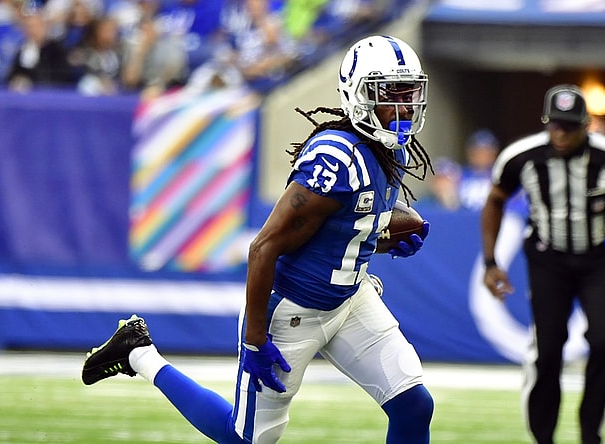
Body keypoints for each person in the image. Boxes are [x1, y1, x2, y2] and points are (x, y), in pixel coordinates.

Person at [81, 35, 435, 444]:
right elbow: (264, 247)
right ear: (359, 95)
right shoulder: (337, 160)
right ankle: (137, 353)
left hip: (350, 301)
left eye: (409, 93)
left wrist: (385, 238)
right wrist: (255, 339)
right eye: (391, 94)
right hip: (291, 309)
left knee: (414, 404)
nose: (405, 106)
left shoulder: (393, 149)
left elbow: (348, 225)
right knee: (244, 438)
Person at [481, 84, 605, 444]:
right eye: (555, 125)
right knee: (548, 349)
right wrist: (490, 261)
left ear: (586, 125)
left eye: (570, 126)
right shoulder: (523, 155)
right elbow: (495, 199)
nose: (561, 134)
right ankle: (543, 437)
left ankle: (590, 433)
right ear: (547, 123)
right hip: (548, 259)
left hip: (600, 259)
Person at [458, 128, 500, 211]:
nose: (481, 156)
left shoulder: (501, 177)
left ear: (494, 154)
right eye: (478, 152)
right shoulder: (458, 176)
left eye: (486, 152)